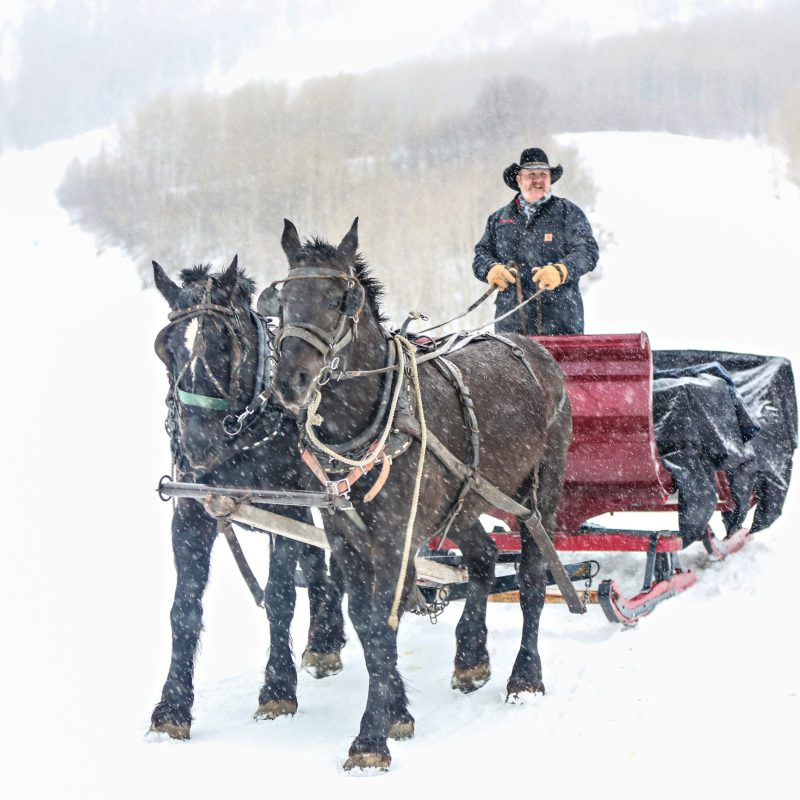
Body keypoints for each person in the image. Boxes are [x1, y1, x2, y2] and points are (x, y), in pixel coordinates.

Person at [472, 147, 599, 335]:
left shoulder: (568, 213)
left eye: (543, 175)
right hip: (510, 329)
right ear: (519, 179)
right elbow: (481, 256)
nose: (537, 180)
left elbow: (587, 252)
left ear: (550, 179)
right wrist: (490, 269)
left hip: (562, 326)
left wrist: (561, 271)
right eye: (531, 175)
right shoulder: (499, 219)